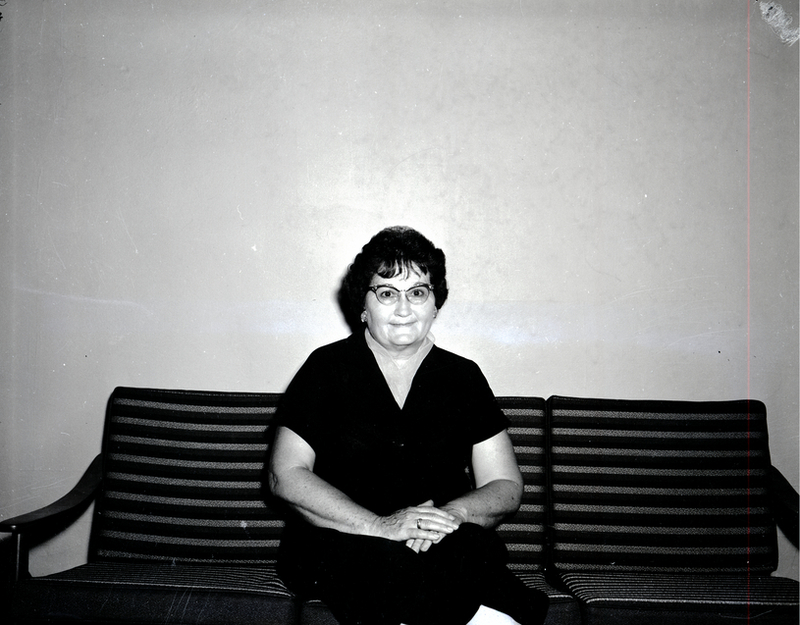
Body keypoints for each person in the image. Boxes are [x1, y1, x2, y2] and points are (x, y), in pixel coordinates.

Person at [268, 226, 548, 625]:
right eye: (386, 293)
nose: (404, 309)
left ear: (435, 304)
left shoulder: (463, 377)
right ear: (363, 305)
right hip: (343, 538)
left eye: (417, 292)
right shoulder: (326, 369)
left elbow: (505, 485)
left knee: (464, 551)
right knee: (397, 566)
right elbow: (285, 475)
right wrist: (381, 526)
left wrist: (452, 515)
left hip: (443, 540)